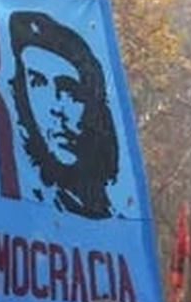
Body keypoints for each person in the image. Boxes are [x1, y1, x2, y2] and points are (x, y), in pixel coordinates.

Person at [8, 11, 119, 219]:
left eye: (68, 89)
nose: (55, 107)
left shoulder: (115, 219)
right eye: (38, 84)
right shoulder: (17, 205)